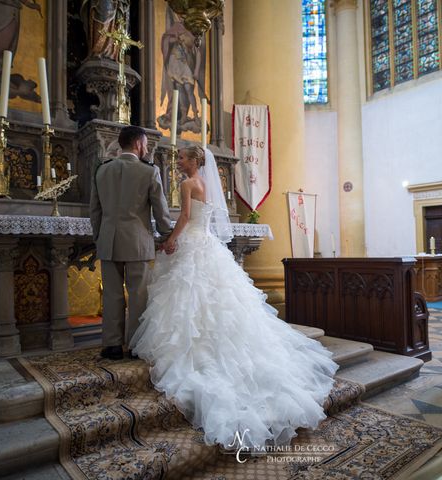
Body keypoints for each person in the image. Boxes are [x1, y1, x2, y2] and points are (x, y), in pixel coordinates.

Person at [130, 146, 337, 449]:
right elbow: (202, 217)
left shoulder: (188, 184)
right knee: (210, 302)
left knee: (191, 301)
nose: (179, 162)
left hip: (191, 243)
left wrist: (170, 240)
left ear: (195, 162)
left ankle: (194, 350)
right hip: (207, 244)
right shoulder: (206, 185)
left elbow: (186, 216)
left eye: (183, 158)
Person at [89, 126, 172, 360]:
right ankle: (136, 346)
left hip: (109, 240)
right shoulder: (149, 171)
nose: (146, 148)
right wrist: (167, 234)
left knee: (112, 294)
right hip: (137, 241)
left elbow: (94, 210)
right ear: (137, 144)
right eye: (145, 144)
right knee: (138, 295)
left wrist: (99, 236)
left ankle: (112, 346)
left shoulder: (102, 170)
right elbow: (160, 209)